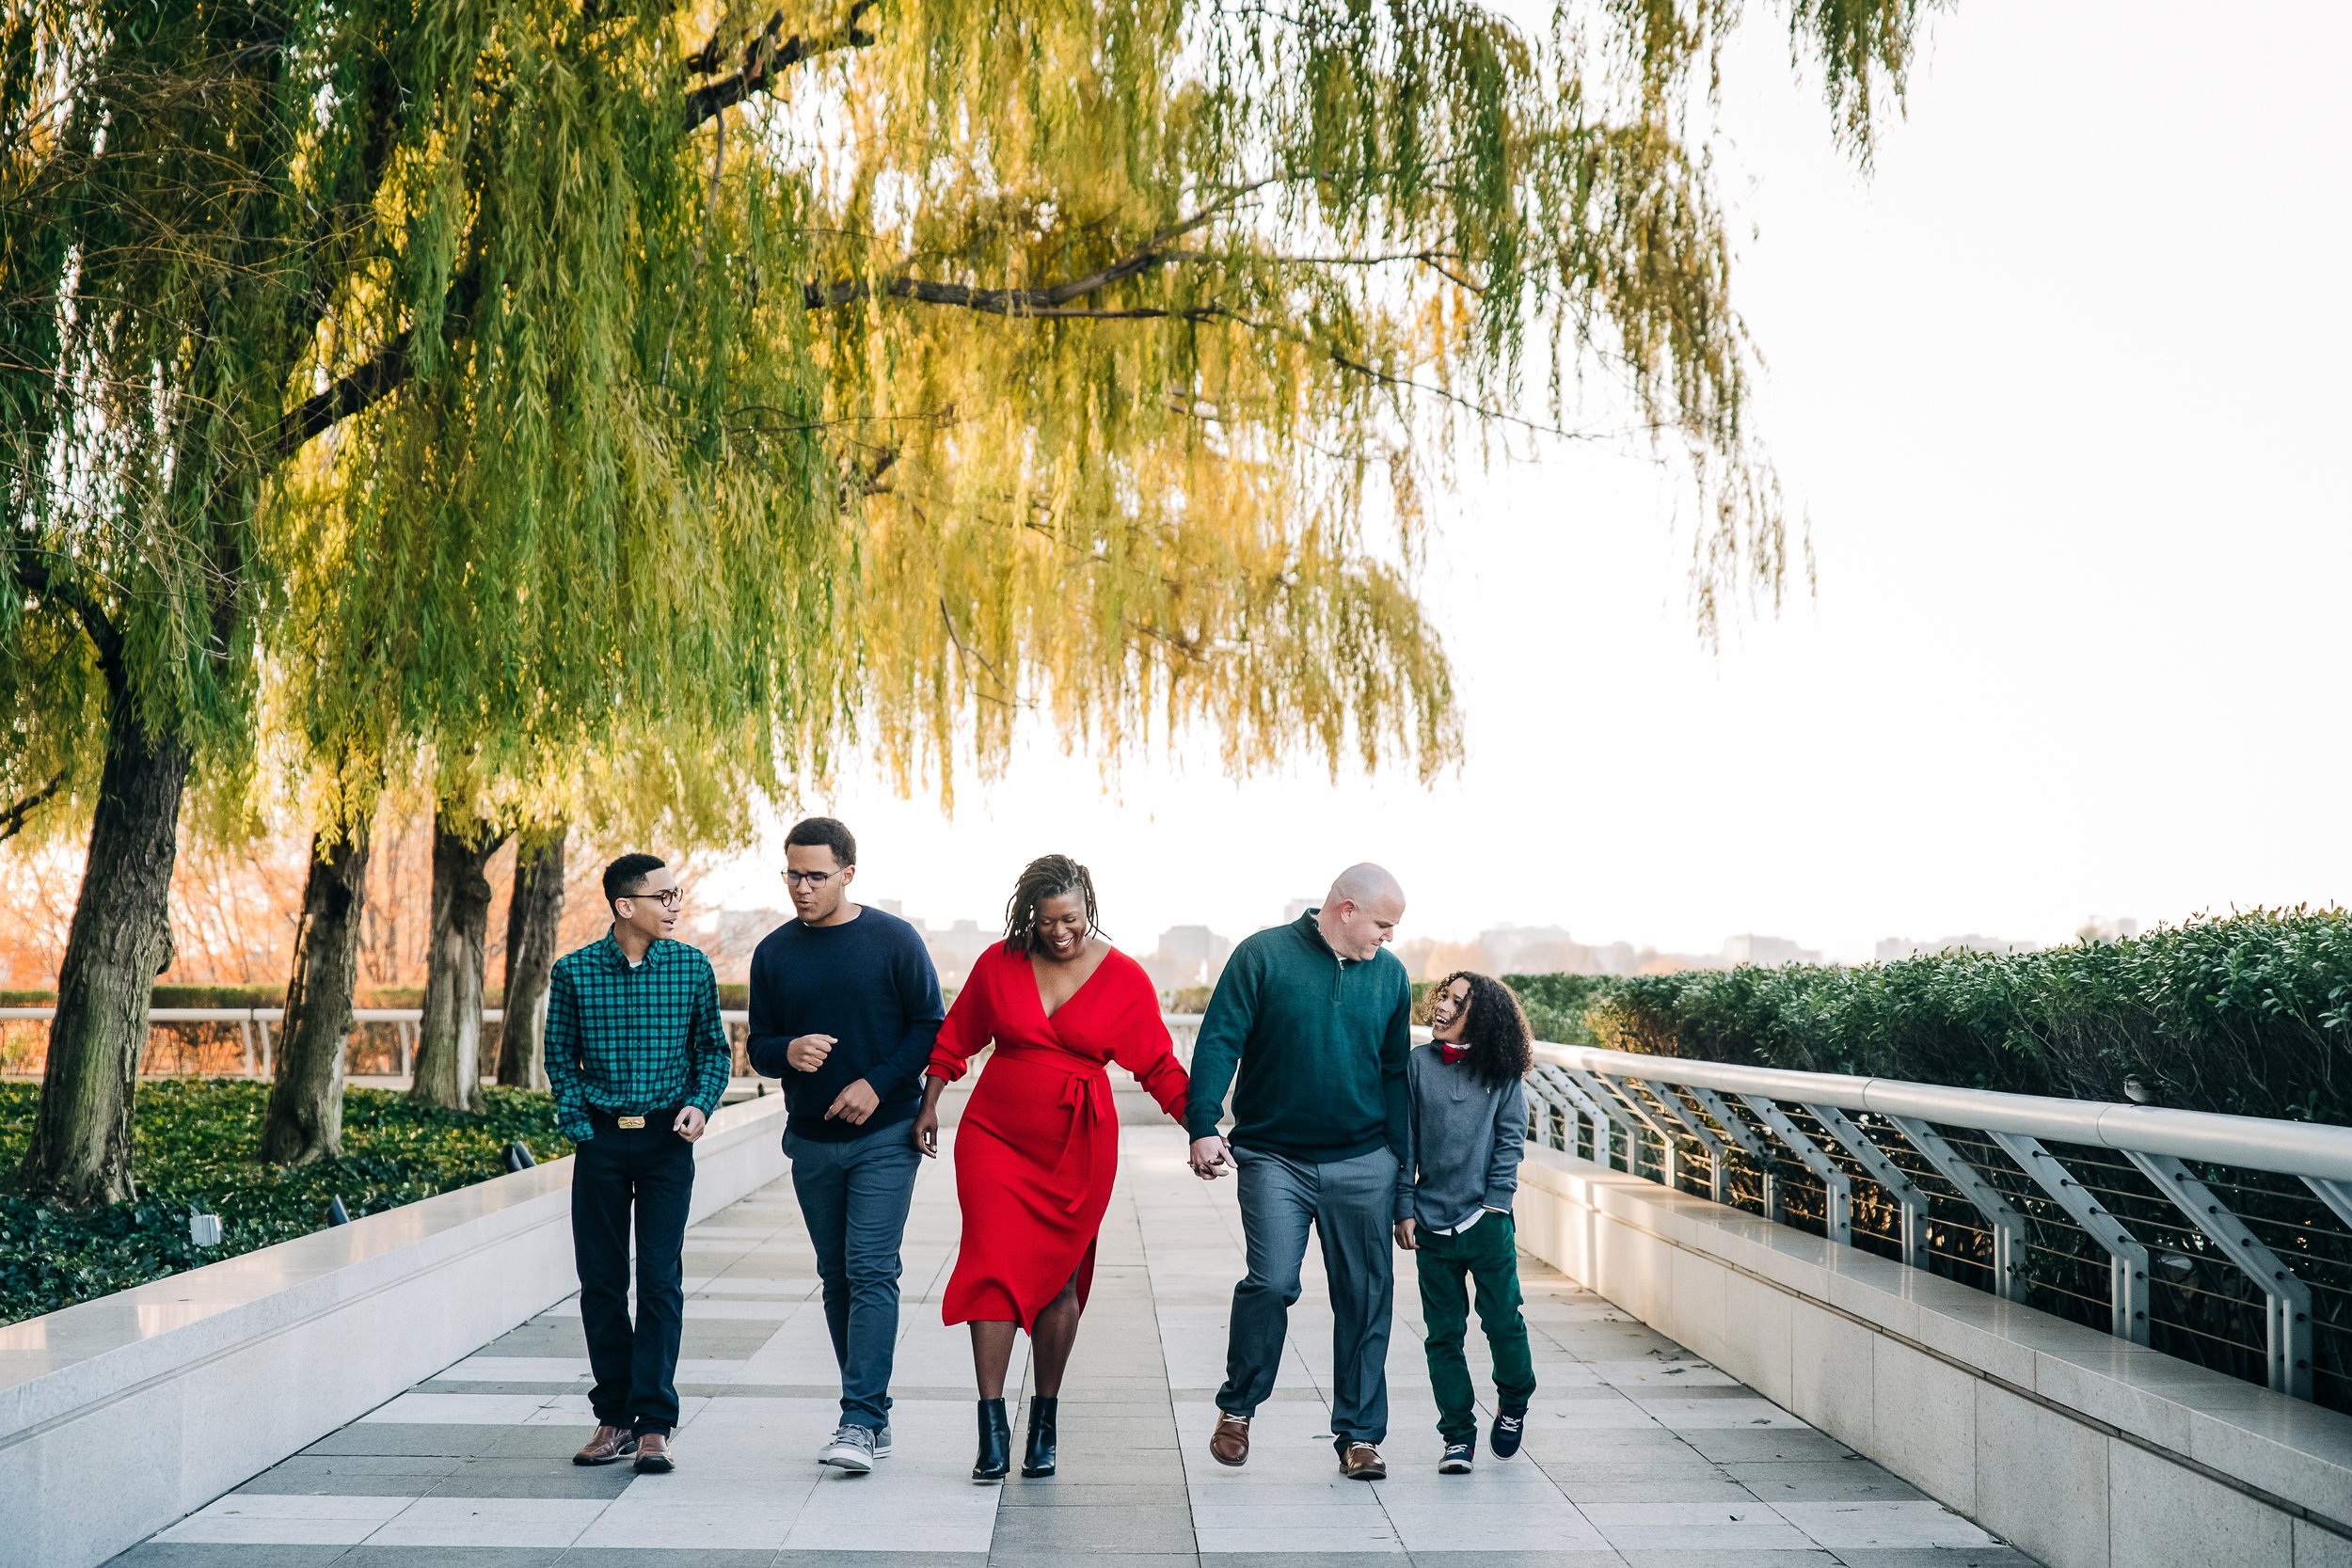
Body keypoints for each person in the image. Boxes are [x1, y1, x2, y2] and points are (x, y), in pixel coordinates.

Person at [913, 855, 1191, 1483]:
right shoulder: (998, 962)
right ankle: (990, 1426)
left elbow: (1158, 1066)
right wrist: (928, 1104)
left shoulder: (1124, 978)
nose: (1059, 932)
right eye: (1045, 921)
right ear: (1026, 917)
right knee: (988, 1266)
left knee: (1060, 1284)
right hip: (993, 1137)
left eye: (1071, 919)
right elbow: (957, 1035)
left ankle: (1044, 1415)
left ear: (1088, 908)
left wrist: (1201, 1128)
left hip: (1077, 1146)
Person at [1185, 863, 1413, 1481]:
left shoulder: (1390, 978)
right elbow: (1218, 1040)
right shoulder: (1262, 956)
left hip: (1365, 1157)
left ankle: (1360, 1437)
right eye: (1382, 924)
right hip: (1274, 1155)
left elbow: (1397, 1077)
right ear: (1346, 909)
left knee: (1366, 1296)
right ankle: (1238, 1409)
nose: (1388, 937)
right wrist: (1202, 1123)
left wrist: (1404, 1180)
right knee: (1272, 1280)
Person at [746, 816, 945, 1474]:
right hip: (810, 1140)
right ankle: (873, 1411)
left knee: (870, 1268)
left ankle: (857, 1419)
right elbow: (759, 1045)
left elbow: (929, 1027)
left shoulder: (893, 940)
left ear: (848, 873)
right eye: (792, 874)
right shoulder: (774, 952)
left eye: (815, 875)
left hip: (886, 1133)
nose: (801, 887)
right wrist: (788, 1051)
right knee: (836, 1276)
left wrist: (877, 1082)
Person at [545, 853, 732, 1476]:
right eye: (664, 895)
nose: (675, 904)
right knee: (601, 1283)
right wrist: (580, 1128)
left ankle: (653, 1423)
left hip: (665, 1144)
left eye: (677, 894)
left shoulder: (690, 967)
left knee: (658, 1280)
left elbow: (713, 1050)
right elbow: (559, 1061)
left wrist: (700, 1106)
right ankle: (614, 1416)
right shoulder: (573, 973)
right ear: (626, 905)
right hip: (600, 1143)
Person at [1394, 971, 1536, 1474]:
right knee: (1442, 1335)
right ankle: (1457, 1435)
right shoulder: (1418, 1065)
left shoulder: (1502, 1072)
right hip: (1431, 1227)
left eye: (1458, 1003)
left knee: (1502, 1320)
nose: (1443, 1008)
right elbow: (1405, 1141)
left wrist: (1496, 1204)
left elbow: (1510, 1141)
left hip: (1487, 1224)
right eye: (1444, 998)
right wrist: (1404, 1207)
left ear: (1482, 1017)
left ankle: (1515, 1397)